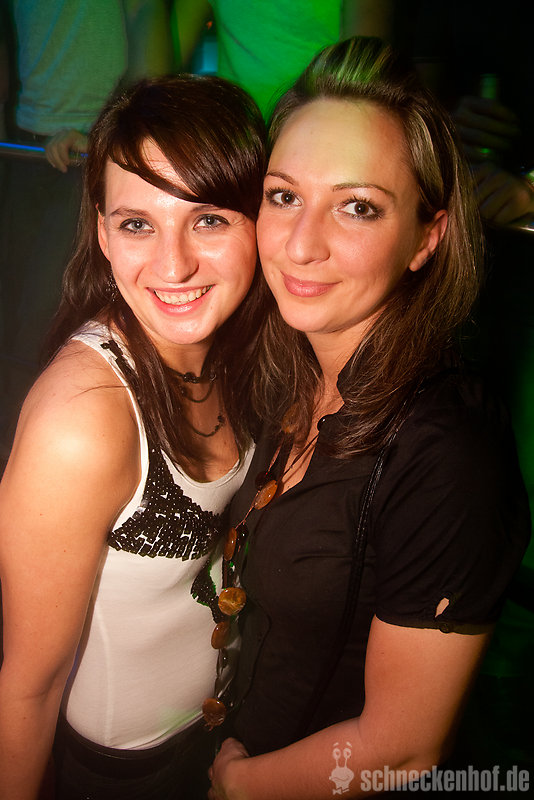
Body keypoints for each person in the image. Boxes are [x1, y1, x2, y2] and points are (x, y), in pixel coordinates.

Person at [208, 37, 531, 798]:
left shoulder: (448, 451)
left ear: (427, 237)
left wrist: (241, 787)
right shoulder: (278, 369)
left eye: (357, 207)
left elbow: (405, 747)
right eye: (283, 196)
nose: (301, 245)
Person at [0, 73, 266, 800]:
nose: (173, 265)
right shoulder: (81, 419)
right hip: (120, 777)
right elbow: (26, 691)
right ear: (100, 232)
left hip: (218, 740)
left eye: (208, 219)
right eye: (136, 224)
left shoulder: (244, 350)